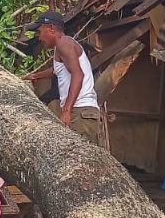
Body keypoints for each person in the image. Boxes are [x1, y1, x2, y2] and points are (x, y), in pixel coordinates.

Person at [23, 10, 108, 149]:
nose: (39, 38)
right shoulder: (62, 46)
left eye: (39, 32)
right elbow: (57, 70)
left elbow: (78, 75)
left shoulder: (64, 43)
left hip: (80, 112)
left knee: (78, 161)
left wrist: (67, 110)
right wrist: (35, 76)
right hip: (81, 112)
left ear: (50, 28)